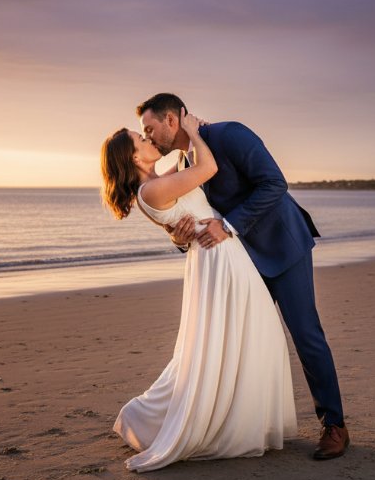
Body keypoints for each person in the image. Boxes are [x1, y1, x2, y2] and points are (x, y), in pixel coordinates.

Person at [138, 93, 349, 460]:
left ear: (172, 120)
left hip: (282, 247)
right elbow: (188, 216)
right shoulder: (187, 161)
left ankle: (334, 425)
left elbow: (275, 184)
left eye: (150, 129)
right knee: (245, 341)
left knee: (306, 335)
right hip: (239, 262)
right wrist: (180, 236)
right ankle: (248, 423)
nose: (149, 137)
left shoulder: (229, 134)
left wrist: (228, 226)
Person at [101, 109, 297, 472]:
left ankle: (173, 415)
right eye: (141, 139)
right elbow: (208, 169)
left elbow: (184, 175)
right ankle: (212, 421)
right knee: (243, 334)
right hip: (217, 257)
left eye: (147, 133)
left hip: (218, 255)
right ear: (134, 158)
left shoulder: (155, 183)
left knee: (240, 336)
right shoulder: (152, 189)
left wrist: (186, 141)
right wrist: (192, 130)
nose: (148, 139)